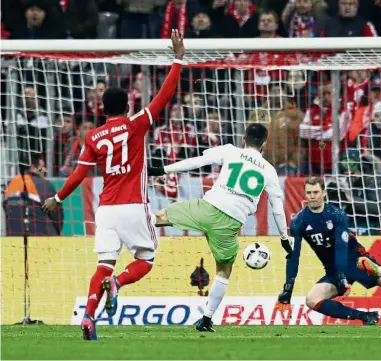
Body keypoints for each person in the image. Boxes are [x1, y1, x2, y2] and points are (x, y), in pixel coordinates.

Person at [42, 30, 185, 341]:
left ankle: (89, 317)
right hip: (133, 205)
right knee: (145, 260)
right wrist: (177, 58)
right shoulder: (136, 125)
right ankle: (118, 282)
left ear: (102, 110)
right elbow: (164, 95)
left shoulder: (92, 137)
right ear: (127, 108)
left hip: (105, 209)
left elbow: (78, 175)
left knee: (102, 264)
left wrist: (57, 197)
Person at [151, 123, 290, 332]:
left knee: (159, 217)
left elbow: (198, 161)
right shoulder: (269, 171)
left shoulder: (229, 150)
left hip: (207, 208)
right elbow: (277, 208)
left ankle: (127, 229)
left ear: (243, 139)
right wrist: (284, 238)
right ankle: (206, 320)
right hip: (229, 224)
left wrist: (162, 169)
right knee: (224, 271)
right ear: (264, 144)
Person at [275, 177, 381, 325]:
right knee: (311, 300)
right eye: (309, 193)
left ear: (324, 193)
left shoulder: (336, 214)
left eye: (316, 192)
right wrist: (288, 289)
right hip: (333, 269)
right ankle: (366, 316)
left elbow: (341, 247)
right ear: (305, 194)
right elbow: (293, 257)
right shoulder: (298, 222)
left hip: (355, 259)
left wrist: (342, 276)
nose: (312, 196)